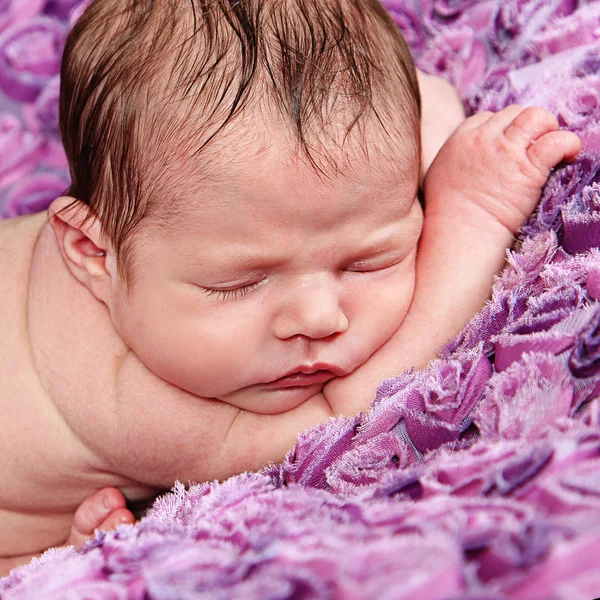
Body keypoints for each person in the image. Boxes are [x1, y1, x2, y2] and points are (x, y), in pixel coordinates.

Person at [0, 0, 581, 575]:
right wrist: (473, 217)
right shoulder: (124, 399)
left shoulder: (204, 242)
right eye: (241, 283)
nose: (318, 317)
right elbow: (347, 416)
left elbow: (425, 102)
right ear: (94, 255)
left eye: (366, 260)